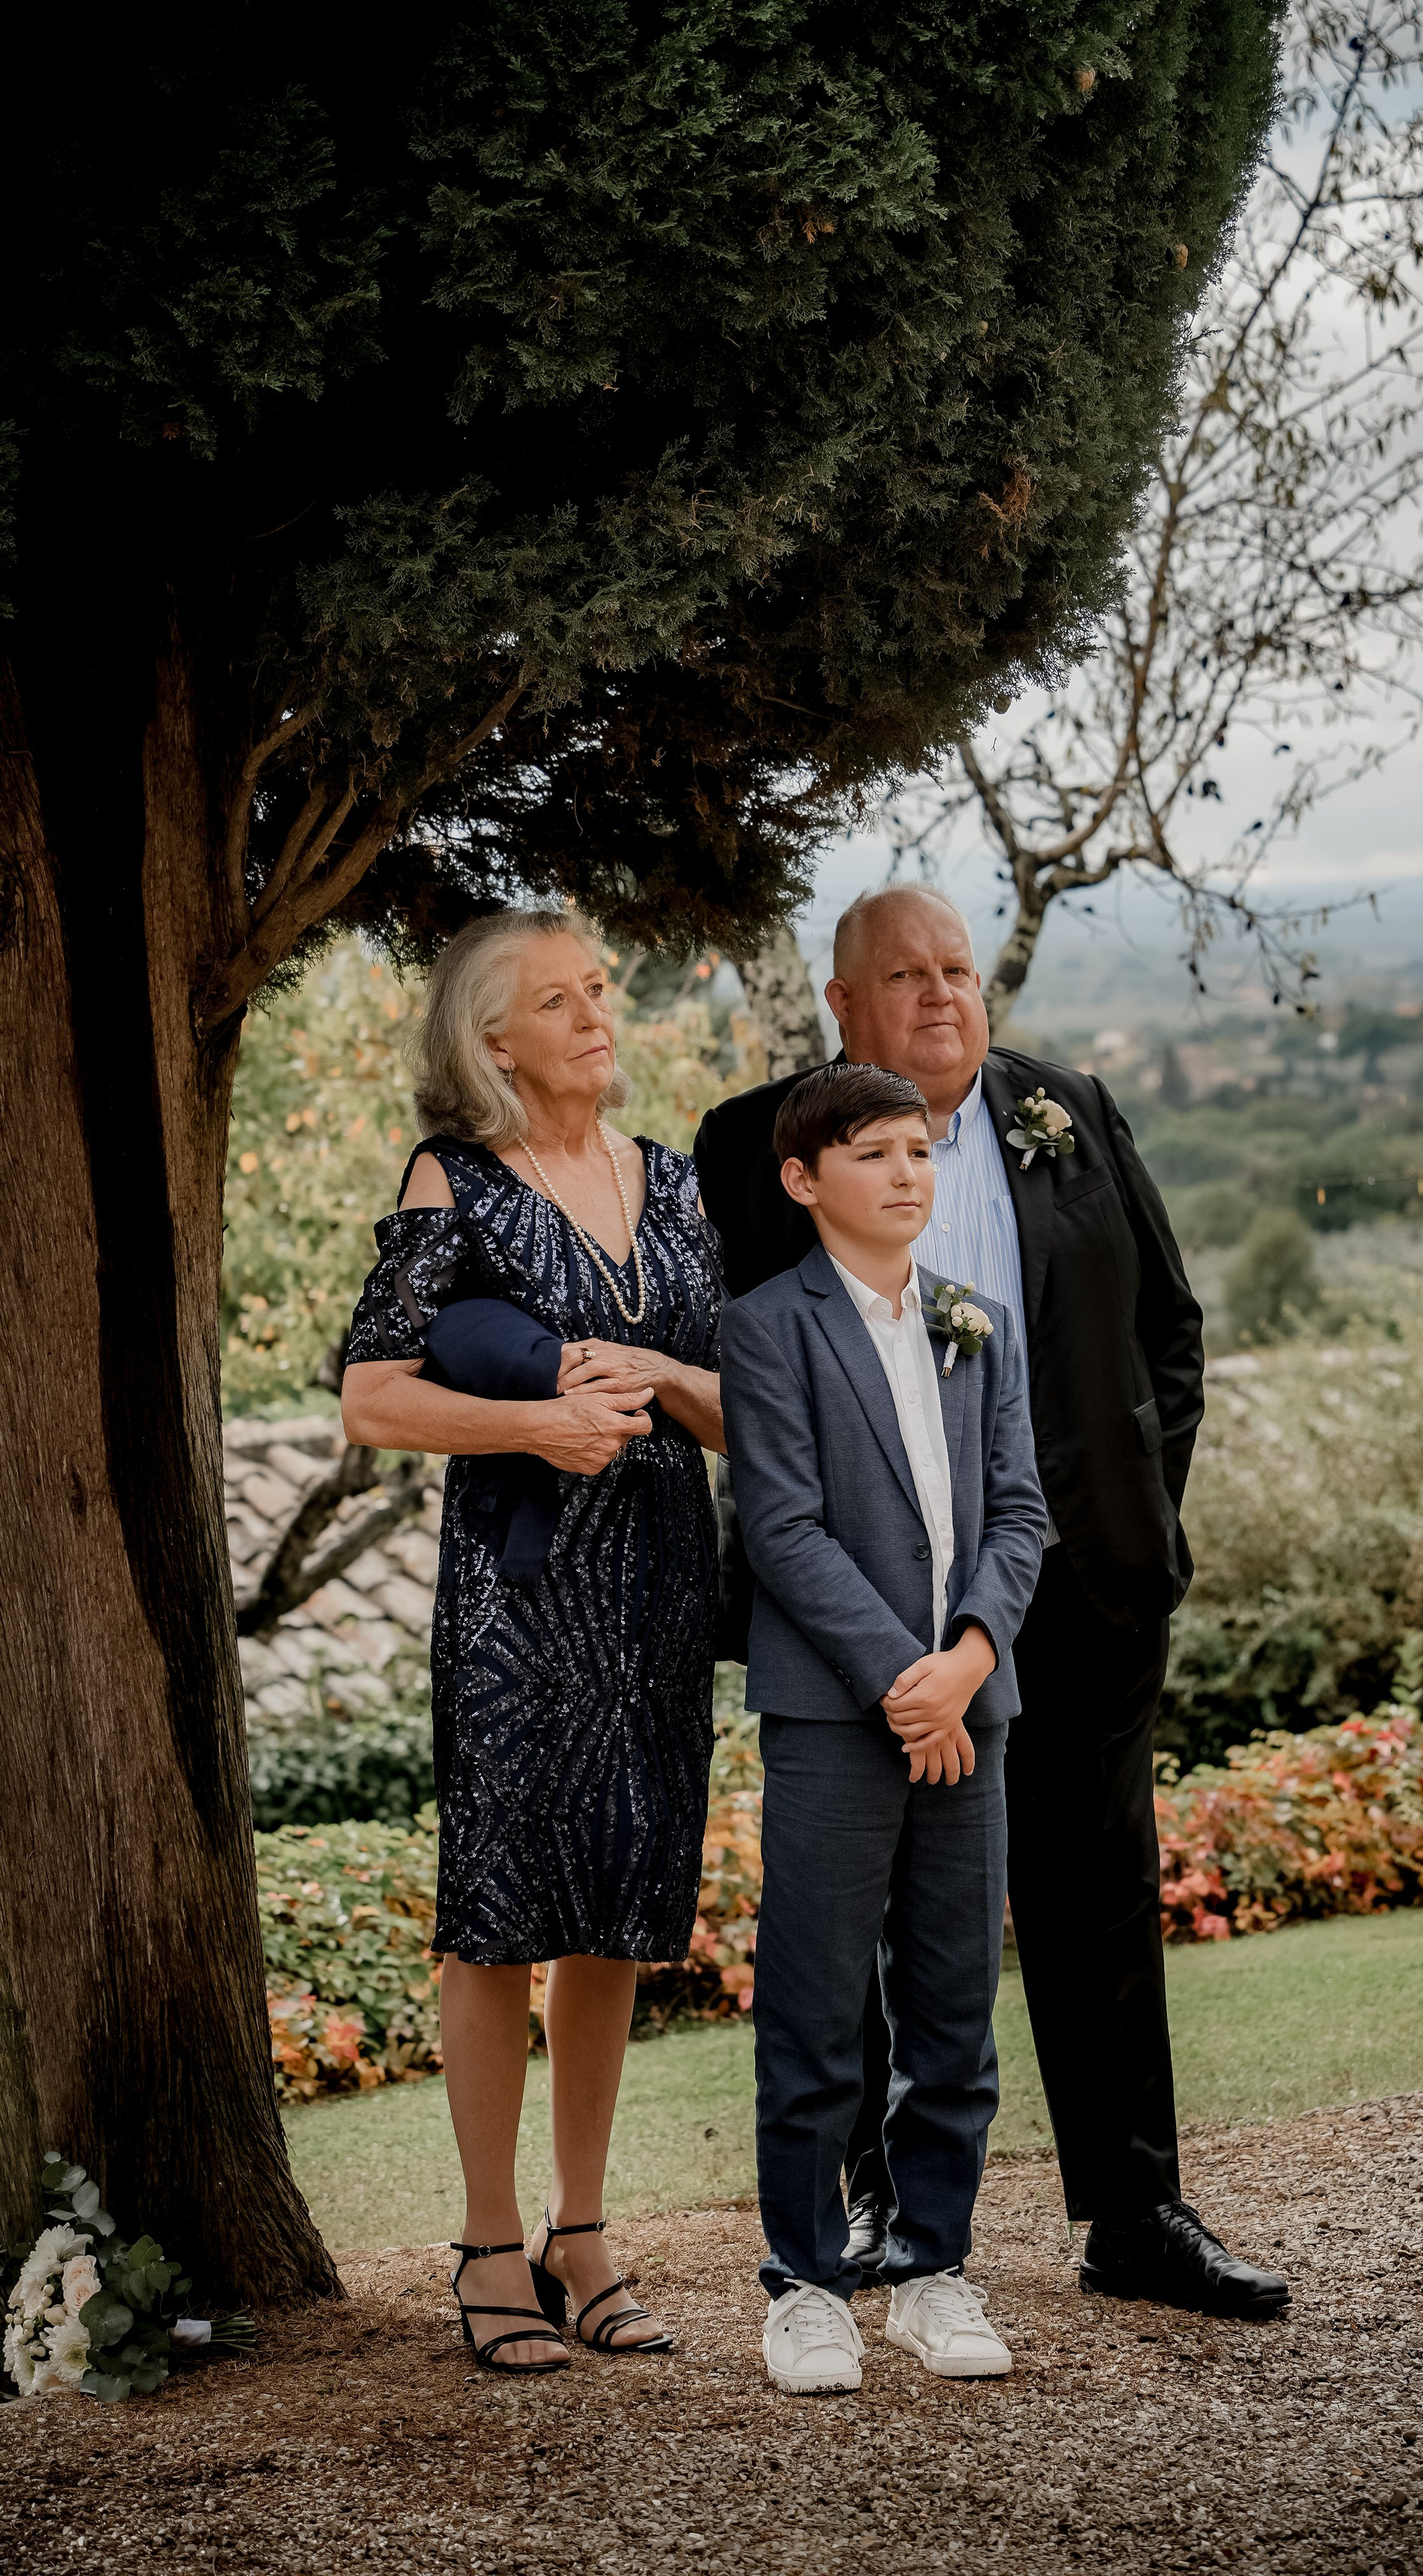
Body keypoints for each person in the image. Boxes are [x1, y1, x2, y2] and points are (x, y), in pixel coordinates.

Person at [695, 886, 1289, 2319]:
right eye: (906, 975)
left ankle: (1134, 2214)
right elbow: (736, 1364)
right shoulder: (754, 1145)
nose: (941, 995)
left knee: (1098, 1895)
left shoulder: (1065, 1109)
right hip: (861, 1607)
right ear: (844, 1005)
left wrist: (1128, 1515)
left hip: (1071, 1583)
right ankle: (871, 2213)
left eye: (957, 970)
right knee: (863, 1920)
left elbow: (1168, 1334)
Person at [341, 906, 725, 2370]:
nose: (595, 1015)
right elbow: (372, 1397)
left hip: (659, 1593)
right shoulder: (456, 1182)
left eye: (598, 989)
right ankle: (489, 2243)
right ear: (492, 1042)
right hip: (517, 1603)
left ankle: (585, 2233)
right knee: (499, 1914)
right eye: (557, 1001)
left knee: (615, 1906)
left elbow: (740, 1410)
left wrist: (660, 1374)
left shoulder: (673, 1182)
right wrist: (536, 1425)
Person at [719, 1064, 1048, 2394]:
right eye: (873, 1153)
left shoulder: (978, 1321)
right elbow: (783, 1530)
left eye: (918, 1150)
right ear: (804, 1180)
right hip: (833, 1718)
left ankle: (932, 2271)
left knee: (953, 2010)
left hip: (970, 1712)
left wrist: (963, 1664)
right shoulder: (765, 1328)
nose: (907, 1173)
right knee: (814, 2015)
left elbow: (1020, 1513)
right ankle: (805, 2289)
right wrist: (903, 1685)